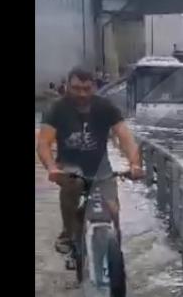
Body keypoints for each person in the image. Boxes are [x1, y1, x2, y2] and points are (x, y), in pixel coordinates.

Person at [37, 66, 144, 255]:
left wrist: (134, 163)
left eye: (86, 89)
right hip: (69, 167)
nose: (82, 94)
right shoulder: (56, 109)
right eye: (76, 88)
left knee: (113, 211)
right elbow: (44, 143)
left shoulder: (105, 107)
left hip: (101, 168)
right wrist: (51, 168)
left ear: (94, 87)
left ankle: (115, 257)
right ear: (67, 86)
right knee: (74, 185)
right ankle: (68, 233)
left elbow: (125, 136)